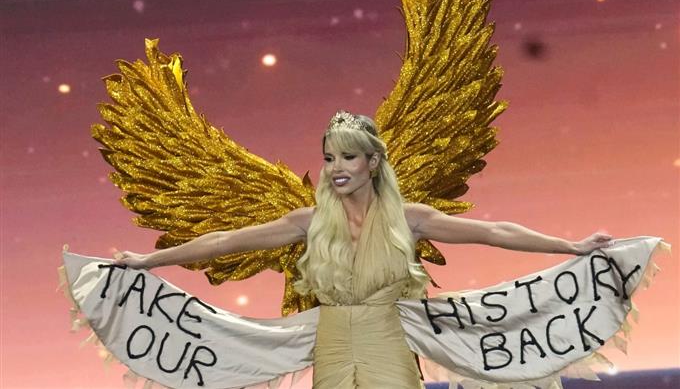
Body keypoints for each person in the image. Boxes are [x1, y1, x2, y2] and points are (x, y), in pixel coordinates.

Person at [115, 110, 613, 389]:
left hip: (388, 343)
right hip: (332, 346)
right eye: (329, 157)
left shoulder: (409, 218)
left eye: (348, 157)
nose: (336, 168)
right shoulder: (308, 221)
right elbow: (224, 242)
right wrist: (148, 261)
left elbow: (495, 232)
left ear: (372, 163)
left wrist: (569, 246)